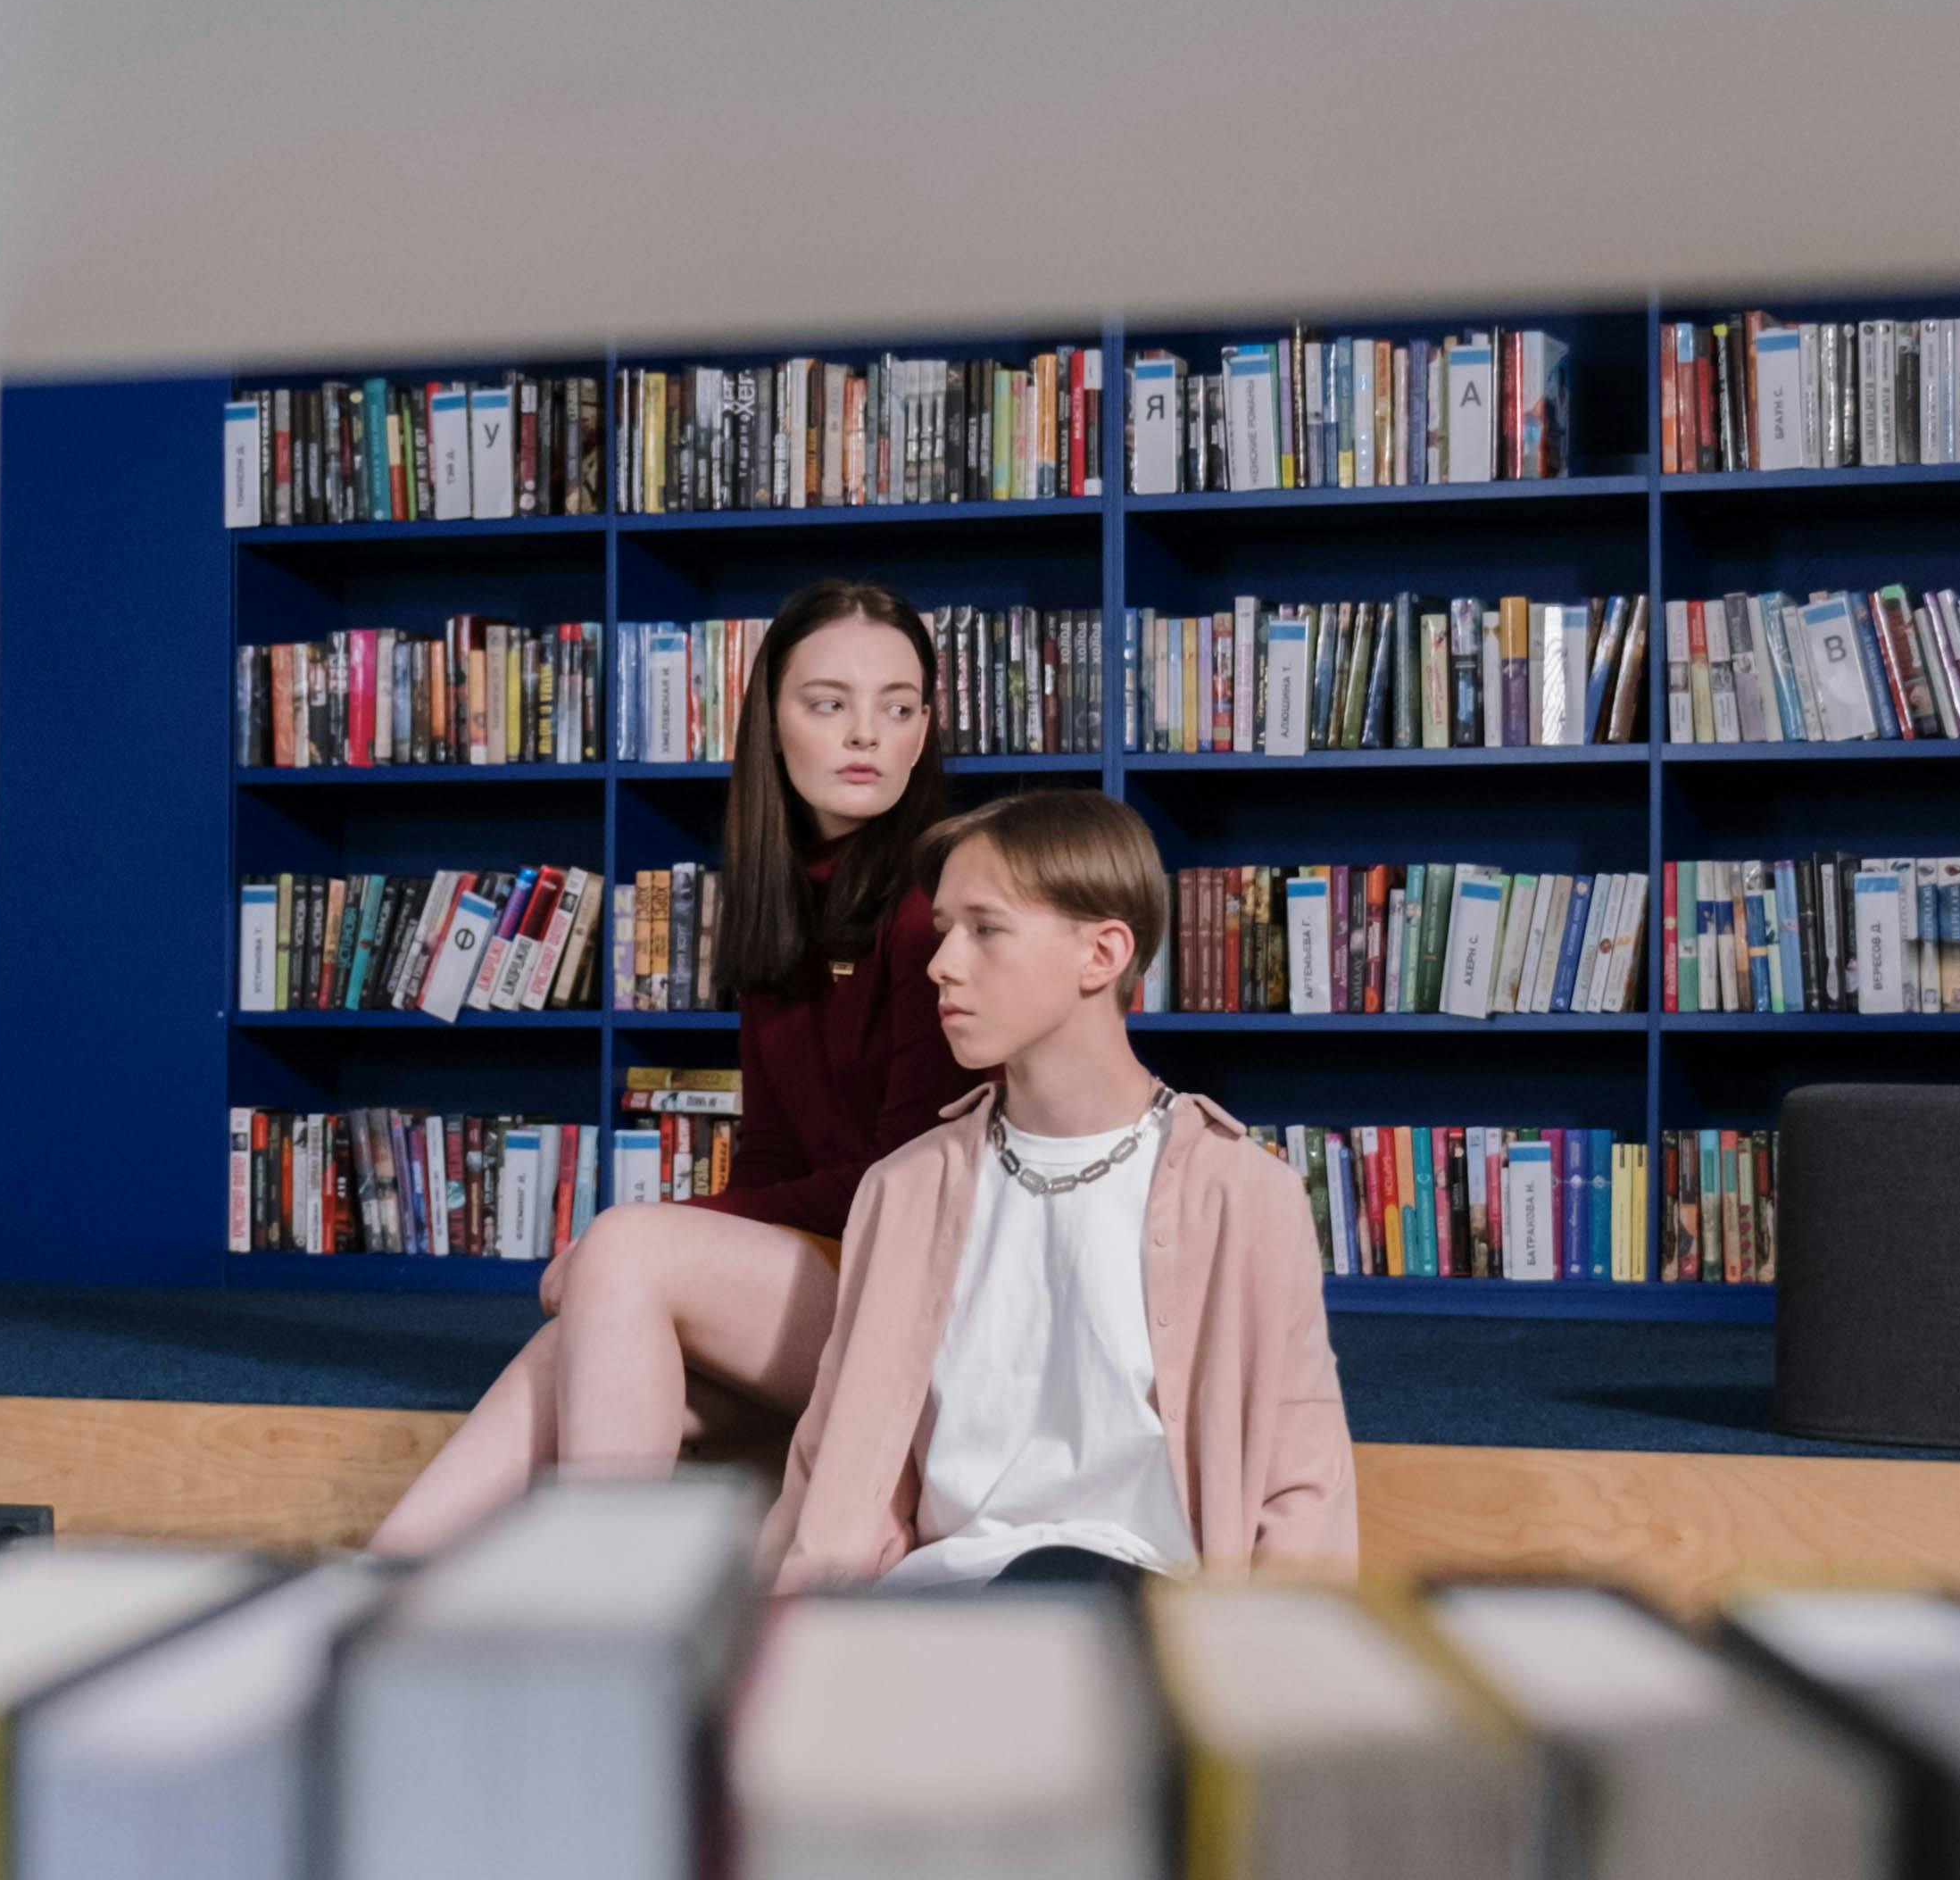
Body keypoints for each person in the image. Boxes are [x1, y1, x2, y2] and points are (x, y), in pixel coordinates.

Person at [370, 579, 978, 1555]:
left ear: (924, 729)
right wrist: (656, 1245)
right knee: (584, 1329)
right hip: (830, 1291)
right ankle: (381, 1576)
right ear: (771, 720)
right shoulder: (778, 902)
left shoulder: (932, 908)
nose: (867, 733)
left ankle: (607, 1602)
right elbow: (777, 1160)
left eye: (898, 706)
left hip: (928, 1302)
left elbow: (900, 1179)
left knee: (624, 1252)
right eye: (830, 703)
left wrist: (650, 1236)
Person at [749, 787, 1355, 1591]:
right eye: (942, 932)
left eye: (985, 929)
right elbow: (827, 1463)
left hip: (1135, 1617)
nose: (940, 963)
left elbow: (1301, 1484)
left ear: (1101, 955)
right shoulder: (903, 1191)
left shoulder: (1244, 1196)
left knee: (1055, 1579)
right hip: (932, 1619)